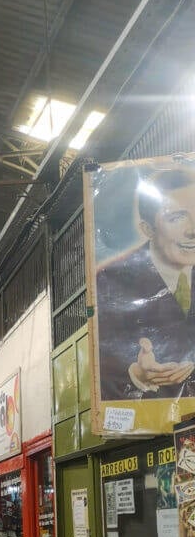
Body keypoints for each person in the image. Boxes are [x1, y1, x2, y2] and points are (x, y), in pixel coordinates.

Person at [96, 168, 195, 400]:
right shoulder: (110, 281)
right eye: (177, 217)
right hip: (154, 413)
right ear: (147, 229)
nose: (193, 229)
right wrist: (137, 374)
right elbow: (103, 368)